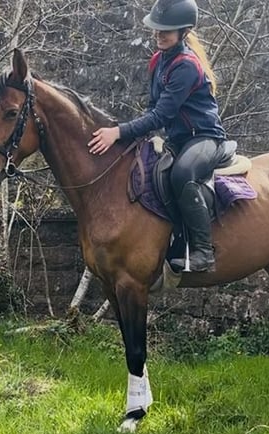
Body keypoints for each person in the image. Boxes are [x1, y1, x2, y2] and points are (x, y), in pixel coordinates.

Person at [88, 0, 225, 272]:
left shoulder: (186, 66)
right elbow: (152, 108)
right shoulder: (158, 61)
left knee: (182, 174)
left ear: (184, 32)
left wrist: (119, 132)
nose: (159, 34)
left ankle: (203, 251)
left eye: (167, 30)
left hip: (204, 138)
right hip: (177, 140)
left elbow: (161, 115)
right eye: (157, 29)